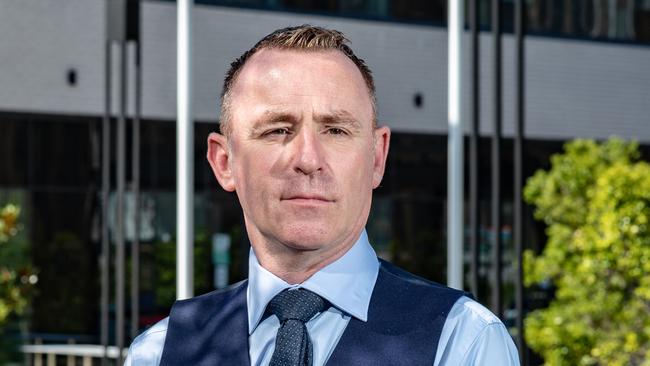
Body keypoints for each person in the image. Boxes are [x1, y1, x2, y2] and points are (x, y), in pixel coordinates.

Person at [125, 25, 520, 365]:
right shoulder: (156, 353)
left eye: (336, 130)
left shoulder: (464, 343)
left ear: (377, 157)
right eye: (278, 130)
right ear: (224, 161)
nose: (309, 159)